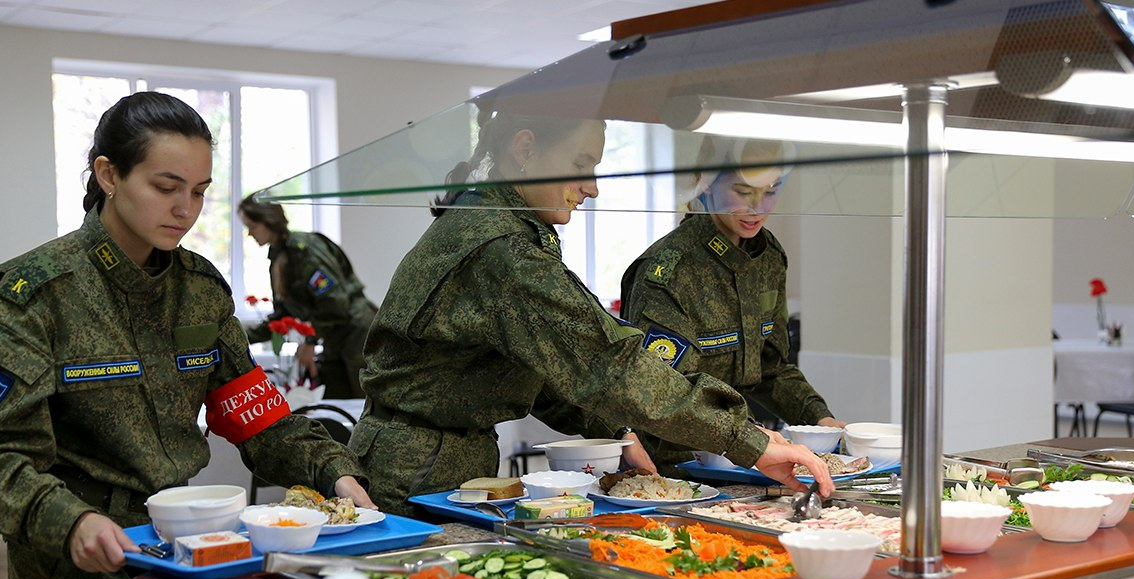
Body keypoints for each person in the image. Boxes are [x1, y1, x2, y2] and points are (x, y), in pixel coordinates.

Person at [0, 92, 373, 579]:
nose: (185, 210)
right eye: (166, 187)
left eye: (199, 192)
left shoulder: (200, 290)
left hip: (198, 572)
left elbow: (255, 417)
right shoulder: (39, 293)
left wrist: (333, 471)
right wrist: (72, 521)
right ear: (108, 174)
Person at [348, 109, 833, 516]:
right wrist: (746, 440)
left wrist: (617, 431)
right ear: (524, 149)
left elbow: (542, 370)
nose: (593, 187)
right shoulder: (500, 249)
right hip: (414, 465)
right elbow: (608, 361)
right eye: (581, 163)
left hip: (438, 458)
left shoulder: (498, 226)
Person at [621, 137, 844, 470]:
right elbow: (663, 391)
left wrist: (820, 419)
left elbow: (772, 368)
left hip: (742, 455)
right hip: (673, 467)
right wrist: (750, 436)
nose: (758, 207)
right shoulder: (670, 271)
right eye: (743, 192)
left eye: (772, 191)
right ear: (707, 184)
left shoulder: (767, 258)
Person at [239, 196, 378, 398]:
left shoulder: (305, 250)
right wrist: (241, 339)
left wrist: (310, 342)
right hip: (334, 339)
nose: (249, 233)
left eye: (252, 226)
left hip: (356, 334)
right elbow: (283, 313)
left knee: (364, 402)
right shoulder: (279, 256)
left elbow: (335, 302)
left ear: (268, 220)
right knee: (336, 404)